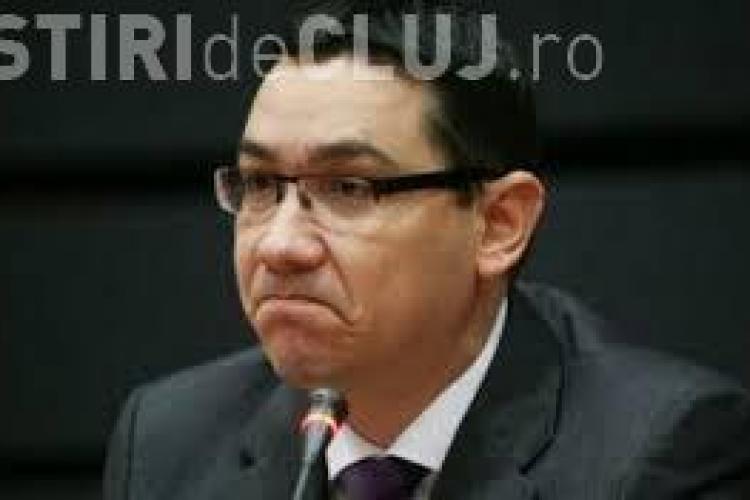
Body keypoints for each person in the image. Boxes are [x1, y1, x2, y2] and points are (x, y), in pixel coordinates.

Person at [103, 1, 750, 499]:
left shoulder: (656, 455)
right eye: (260, 185)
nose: (280, 244)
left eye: (348, 188)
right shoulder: (166, 442)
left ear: (498, 224)